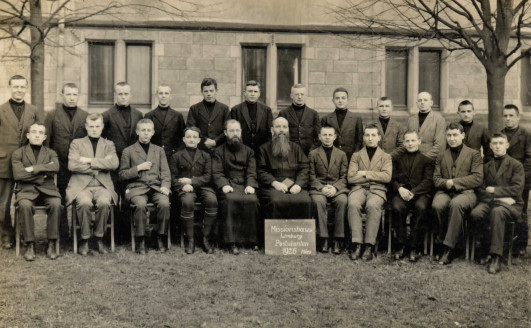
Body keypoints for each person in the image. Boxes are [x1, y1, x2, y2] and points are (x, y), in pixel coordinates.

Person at [0, 75, 44, 249]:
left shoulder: (33, 110)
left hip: (26, 163)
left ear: (26, 88)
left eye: (22, 87)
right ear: (10, 87)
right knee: (3, 203)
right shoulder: (1, 109)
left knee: (25, 200)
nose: (19, 90)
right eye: (15, 86)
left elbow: (39, 134)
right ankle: (6, 235)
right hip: (4, 163)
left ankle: (25, 235)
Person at [470, 133, 524, 274]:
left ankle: (496, 257)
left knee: (497, 212)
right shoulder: (486, 166)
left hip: (511, 205)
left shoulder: (516, 165)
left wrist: (495, 190)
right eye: (495, 143)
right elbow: (480, 189)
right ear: (490, 146)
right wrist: (497, 198)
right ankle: (484, 248)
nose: (498, 146)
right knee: (476, 213)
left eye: (501, 143)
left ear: (507, 145)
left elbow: (516, 189)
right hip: (493, 202)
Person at [66, 114, 119, 256]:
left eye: (97, 126)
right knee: (84, 203)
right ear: (86, 127)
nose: (94, 129)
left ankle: (99, 237)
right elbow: (72, 165)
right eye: (91, 126)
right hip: (82, 186)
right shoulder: (76, 143)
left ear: (102, 127)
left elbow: (114, 164)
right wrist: (101, 163)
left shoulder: (109, 144)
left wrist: (88, 160)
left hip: (103, 186)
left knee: (104, 202)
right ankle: (85, 239)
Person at [432, 122, 483, 265]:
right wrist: (446, 184)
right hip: (445, 191)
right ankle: (443, 240)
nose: (452, 138)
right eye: (449, 135)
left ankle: (449, 249)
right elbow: (436, 179)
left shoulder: (474, 154)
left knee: (456, 204)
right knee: (437, 205)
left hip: (467, 193)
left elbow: (477, 178)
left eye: (455, 135)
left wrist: (454, 182)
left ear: (463, 135)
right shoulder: (441, 155)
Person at [119, 119, 171, 254]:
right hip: (137, 188)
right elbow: (122, 175)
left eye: (149, 130)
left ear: (153, 132)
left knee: (164, 203)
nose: (146, 133)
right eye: (143, 130)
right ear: (137, 132)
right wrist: (138, 168)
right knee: (140, 204)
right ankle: (140, 239)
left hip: (155, 187)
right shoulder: (128, 151)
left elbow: (165, 172)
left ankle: (161, 236)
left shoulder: (159, 151)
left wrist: (165, 186)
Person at [11, 123, 62, 261]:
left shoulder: (51, 153)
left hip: (48, 190)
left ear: (45, 137)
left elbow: (56, 167)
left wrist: (33, 168)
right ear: (28, 135)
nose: (37, 135)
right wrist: (43, 173)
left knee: (56, 204)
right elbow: (18, 175)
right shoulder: (18, 153)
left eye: (40, 132)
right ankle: (29, 244)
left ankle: (51, 243)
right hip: (26, 190)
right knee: (25, 205)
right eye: (34, 132)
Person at [44, 82, 88, 240]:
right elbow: (47, 142)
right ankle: (62, 233)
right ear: (62, 95)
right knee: (60, 198)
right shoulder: (52, 115)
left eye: (75, 94)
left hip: (78, 165)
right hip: (60, 165)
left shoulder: (85, 115)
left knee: (78, 196)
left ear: (78, 96)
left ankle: (77, 232)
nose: (71, 98)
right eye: (68, 94)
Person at [212, 120, 260, 255]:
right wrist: (224, 185)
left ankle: (251, 240)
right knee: (230, 200)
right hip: (228, 185)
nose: (235, 134)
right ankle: (231, 242)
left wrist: (250, 185)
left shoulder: (249, 151)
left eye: (237, 130)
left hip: (244, 185)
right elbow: (217, 172)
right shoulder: (218, 151)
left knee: (252, 201)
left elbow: (252, 171)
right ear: (226, 133)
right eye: (232, 131)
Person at [347, 123, 392, 261]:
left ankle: (369, 245)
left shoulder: (386, 156)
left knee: (373, 205)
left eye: (373, 135)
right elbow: (351, 177)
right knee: (353, 203)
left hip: (377, 191)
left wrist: (365, 173)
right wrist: (375, 176)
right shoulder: (356, 156)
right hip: (358, 189)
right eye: (367, 135)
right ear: (363, 137)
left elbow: (387, 177)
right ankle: (357, 243)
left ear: (379, 137)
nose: (370, 138)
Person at [170, 127, 218, 254]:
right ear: (184, 139)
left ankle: (205, 238)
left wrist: (191, 181)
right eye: (189, 137)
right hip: (185, 188)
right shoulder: (176, 156)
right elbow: (173, 178)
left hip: (202, 186)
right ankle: (190, 240)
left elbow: (208, 177)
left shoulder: (206, 156)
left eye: (195, 137)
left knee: (212, 200)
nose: (192, 140)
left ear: (199, 140)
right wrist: (182, 186)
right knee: (187, 202)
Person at [391, 130, 434, 262]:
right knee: (397, 207)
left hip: (420, 193)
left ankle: (414, 246)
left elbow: (427, 181)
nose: (410, 143)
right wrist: (399, 188)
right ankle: (401, 245)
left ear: (419, 142)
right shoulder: (397, 159)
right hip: (402, 192)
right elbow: (391, 178)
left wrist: (413, 192)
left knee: (421, 208)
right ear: (403, 143)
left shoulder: (427, 160)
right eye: (407, 141)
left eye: (413, 140)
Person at [257, 117, 312, 220]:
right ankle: (275, 235)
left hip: (294, 184)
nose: (281, 130)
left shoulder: (296, 147)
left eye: (284, 127)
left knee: (305, 201)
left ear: (288, 130)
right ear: (272, 130)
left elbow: (304, 168)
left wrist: (298, 185)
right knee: (276, 200)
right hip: (272, 186)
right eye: (278, 127)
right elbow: (261, 171)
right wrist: (275, 183)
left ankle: (300, 235)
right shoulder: (263, 149)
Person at [308, 126, 349, 254]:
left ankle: (338, 239)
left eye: (330, 135)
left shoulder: (342, 154)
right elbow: (311, 176)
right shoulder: (313, 154)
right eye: (324, 135)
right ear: (319, 137)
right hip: (319, 188)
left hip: (336, 188)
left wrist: (335, 187)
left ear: (335, 137)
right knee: (318, 202)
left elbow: (344, 176)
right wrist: (322, 188)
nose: (327, 137)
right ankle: (323, 238)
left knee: (342, 201)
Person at [500, 104, 531, 256]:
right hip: (504, 181)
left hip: (522, 180)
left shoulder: (526, 134)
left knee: (521, 211)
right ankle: (506, 242)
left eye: (511, 115)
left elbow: (529, 159)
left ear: (518, 117)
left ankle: (521, 245)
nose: (508, 119)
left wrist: (519, 179)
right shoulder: (500, 135)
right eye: (505, 115)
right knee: (504, 208)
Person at [102, 82, 144, 159]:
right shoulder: (106, 115)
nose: (123, 97)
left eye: (126, 94)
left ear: (131, 95)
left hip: (135, 158)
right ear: (115, 95)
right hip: (115, 158)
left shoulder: (138, 115)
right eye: (120, 94)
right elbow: (102, 140)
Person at [187, 78, 230, 151]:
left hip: (220, 149)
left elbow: (228, 129)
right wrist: (205, 141)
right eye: (206, 91)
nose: (209, 94)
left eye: (211, 91)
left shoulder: (224, 109)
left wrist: (215, 141)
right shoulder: (194, 109)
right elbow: (190, 128)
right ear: (202, 92)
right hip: (200, 149)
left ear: (216, 91)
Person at [145, 84, 185, 162]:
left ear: (171, 96)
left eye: (166, 93)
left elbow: (182, 138)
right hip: (154, 157)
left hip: (173, 156)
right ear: (157, 96)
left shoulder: (178, 116)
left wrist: (177, 154)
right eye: (161, 93)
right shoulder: (149, 115)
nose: (163, 96)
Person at [320, 87, 363, 161]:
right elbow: (322, 140)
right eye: (337, 98)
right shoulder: (326, 119)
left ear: (348, 100)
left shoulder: (356, 118)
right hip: (331, 157)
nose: (340, 101)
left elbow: (359, 140)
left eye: (343, 98)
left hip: (350, 157)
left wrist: (355, 156)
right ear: (333, 100)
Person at [230, 80, 273, 154]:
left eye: (255, 91)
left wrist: (266, 151)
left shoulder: (267, 110)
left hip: (261, 152)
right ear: (244, 93)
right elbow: (233, 133)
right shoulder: (235, 110)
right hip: (242, 151)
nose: (252, 94)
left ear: (259, 94)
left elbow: (269, 133)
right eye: (250, 91)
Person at [278, 84, 321, 155]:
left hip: (308, 153)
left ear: (306, 96)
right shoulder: (283, 113)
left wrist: (312, 150)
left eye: (302, 94)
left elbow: (319, 136)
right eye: (296, 94)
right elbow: (280, 134)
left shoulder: (313, 114)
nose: (300, 97)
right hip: (289, 152)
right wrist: (286, 149)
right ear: (291, 96)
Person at [406, 92, 446, 160]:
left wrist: (423, 159)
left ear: (431, 103)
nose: (422, 102)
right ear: (416, 103)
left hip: (430, 161)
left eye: (425, 100)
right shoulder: (411, 120)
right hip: (412, 159)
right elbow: (407, 141)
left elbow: (440, 145)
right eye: (420, 100)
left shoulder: (439, 119)